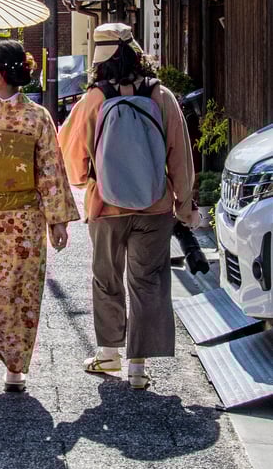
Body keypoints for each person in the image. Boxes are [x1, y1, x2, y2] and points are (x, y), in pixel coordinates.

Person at [58, 23, 197, 390]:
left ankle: (108, 354)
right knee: (148, 281)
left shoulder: (94, 99)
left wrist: (86, 179)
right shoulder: (161, 95)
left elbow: (70, 153)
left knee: (107, 278)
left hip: (106, 206)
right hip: (155, 206)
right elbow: (180, 156)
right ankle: (138, 366)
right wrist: (184, 205)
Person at [0, 40, 80, 393]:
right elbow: (50, 169)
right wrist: (57, 221)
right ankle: (15, 370)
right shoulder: (37, 117)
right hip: (24, 220)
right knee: (22, 290)